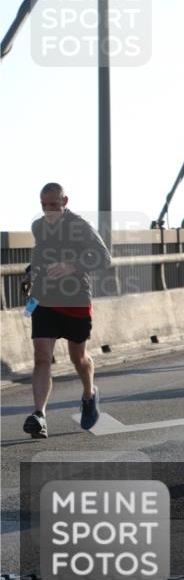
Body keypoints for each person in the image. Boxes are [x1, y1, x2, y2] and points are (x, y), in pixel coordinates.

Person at [22, 183, 112, 439]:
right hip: (45, 299)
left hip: (76, 300)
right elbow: (40, 255)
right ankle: (39, 416)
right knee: (42, 357)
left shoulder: (79, 226)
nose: (48, 209)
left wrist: (72, 266)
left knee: (78, 358)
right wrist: (31, 272)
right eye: (44, 204)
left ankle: (89, 394)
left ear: (65, 201)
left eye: (53, 204)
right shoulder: (39, 226)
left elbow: (103, 257)